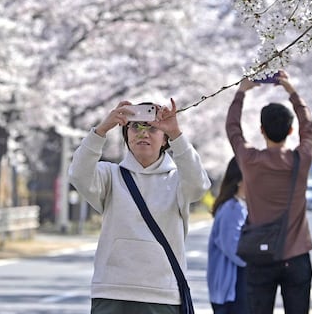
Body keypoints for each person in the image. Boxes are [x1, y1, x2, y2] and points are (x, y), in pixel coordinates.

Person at [69, 99, 211, 314]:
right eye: (135, 126)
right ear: (126, 135)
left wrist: (177, 134)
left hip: (162, 293)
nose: (143, 133)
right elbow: (78, 174)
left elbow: (199, 185)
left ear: (165, 140)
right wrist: (102, 129)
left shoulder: (178, 180)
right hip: (112, 291)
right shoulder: (110, 175)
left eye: (152, 128)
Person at [225, 72, 312, 314]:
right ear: (290, 131)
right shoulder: (301, 158)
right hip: (296, 256)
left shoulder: (250, 159)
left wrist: (241, 92)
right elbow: (309, 129)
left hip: (260, 255)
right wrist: (292, 92)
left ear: (262, 129)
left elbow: (233, 129)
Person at [207, 157, 248, 314]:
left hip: (236, 287)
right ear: (239, 179)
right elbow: (234, 249)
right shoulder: (232, 209)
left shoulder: (241, 206)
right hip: (231, 289)